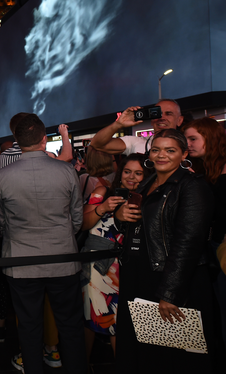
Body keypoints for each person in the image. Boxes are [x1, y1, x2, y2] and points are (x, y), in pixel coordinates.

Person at [114, 129, 216, 373]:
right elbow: (136, 225)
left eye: (170, 150)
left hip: (170, 278)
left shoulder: (192, 186)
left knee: (175, 353)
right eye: (157, 149)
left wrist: (170, 292)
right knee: (146, 348)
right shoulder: (148, 182)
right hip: (141, 274)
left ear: (183, 154)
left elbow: (188, 244)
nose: (162, 155)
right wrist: (119, 216)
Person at [0, 113, 86, 374]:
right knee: (70, 326)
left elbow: (1, 220)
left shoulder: (2, 176)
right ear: (44, 140)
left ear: (17, 142)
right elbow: (76, 217)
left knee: (29, 328)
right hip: (63, 259)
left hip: (21, 262)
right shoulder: (66, 171)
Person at [78, 153, 151, 366]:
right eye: (127, 172)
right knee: (92, 317)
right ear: (120, 173)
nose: (132, 177)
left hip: (127, 267)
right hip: (98, 268)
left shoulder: (146, 197)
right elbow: (83, 224)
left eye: (139, 173)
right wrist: (103, 208)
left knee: (119, 322)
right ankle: (84, 365)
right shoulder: (103, 192)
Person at [182, 117, 226, 356]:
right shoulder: (206, 168)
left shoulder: (226, 171)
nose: (188, 144)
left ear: (211, 138)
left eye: (193, 139)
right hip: (215, 249)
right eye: (186, 139)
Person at [89, 99, 184, 155]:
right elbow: (96, 144)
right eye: (156, 114)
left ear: (179, 120)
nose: (161, 118)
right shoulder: (137, 142)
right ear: (151, 120)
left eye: (169, 114)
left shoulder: (188, 146)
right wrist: (118, 124)